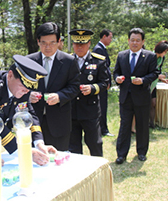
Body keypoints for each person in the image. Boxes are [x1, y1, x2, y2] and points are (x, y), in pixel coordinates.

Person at [28, 22, 80, 151]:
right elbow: (19, 86)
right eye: (44, 42)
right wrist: (27, 95)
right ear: (38, 42)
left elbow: (74, 86)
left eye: (52, 42)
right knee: (35, 159)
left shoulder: (69, 61)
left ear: (59, 42)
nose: (48, 47)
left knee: (58, 158)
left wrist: (59, 96)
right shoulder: (28, 61)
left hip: (59, 119)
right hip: (33, 119)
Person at [113, 28, 158, 164]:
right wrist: (117, 79)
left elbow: (155, 73)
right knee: (124, 125)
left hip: (142, 97)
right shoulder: (121, 55)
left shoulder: (150, 56)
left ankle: (142, 152)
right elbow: (115, 73)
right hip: (125, 97)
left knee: (142, 125)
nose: (135, 43)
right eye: (132, 40)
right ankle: (121, 154)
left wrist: (143, 80)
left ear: (143, 42)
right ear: (128, 41)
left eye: (138, 40)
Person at [68, 29, 109, 156]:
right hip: (72, 110)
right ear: (73, 45)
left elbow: (105, 83)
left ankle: (98, 170)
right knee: (73, 146)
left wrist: (92, 88)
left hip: (90, 110)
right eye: (76, 44)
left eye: (83, 44)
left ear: (89, 44)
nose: (79, 47)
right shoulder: (67, 60)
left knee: (95, 144)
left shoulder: (98, 60)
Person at [92, 29, 114, 137]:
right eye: (110, 37)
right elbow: (101, 68)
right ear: (104, 36)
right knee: (102, 106)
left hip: (104, 84)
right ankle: (102, 129)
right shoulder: (98, 49)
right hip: (100, 84)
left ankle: (103, 128)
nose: (111, 40)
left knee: (103, 106)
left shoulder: (102, 48)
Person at [149, 40, 168, 128]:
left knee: (153, 103)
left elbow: (158, 71)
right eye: (165, 51)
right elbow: (149, 71)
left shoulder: (162, 59)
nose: (165, 53)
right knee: (146, 103)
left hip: (154, 83)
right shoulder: (151, 57)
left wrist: (162, 79)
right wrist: (158, 76)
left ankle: (152, 123)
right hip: (148, 82)